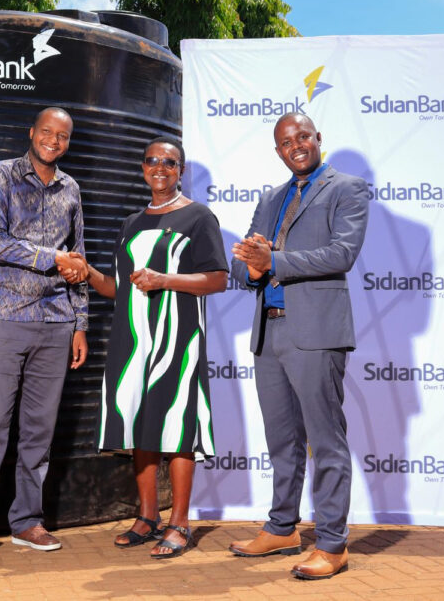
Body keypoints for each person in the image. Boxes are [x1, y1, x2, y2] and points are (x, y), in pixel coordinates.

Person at [62, 137, 228, 558]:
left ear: (180, 171)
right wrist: (88, 273)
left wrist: (165, 280)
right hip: (132, 338)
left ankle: (181, 523)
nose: (160, 168)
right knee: (139, 424)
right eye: (152, 161)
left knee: (176, 426)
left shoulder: (198, 217)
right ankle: (148, 516)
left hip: (178, 336)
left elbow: (217, 279)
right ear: (142, 168)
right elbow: (118, 288)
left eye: (169, 163)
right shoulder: (132, 221)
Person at [229, 113, 369, 579]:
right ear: (278, 151)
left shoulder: (347, 188)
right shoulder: (271, 197)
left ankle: (332, 544)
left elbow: (341, 254)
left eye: (303, 137)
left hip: (316, 332)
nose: (296, 146)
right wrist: (250, 267)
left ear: (318, 139)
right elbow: (248, 265)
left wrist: (275, 260)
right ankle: (283, 527)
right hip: (269, 331)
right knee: (281, 441)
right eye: (287, 142)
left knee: (325, 441)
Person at [0, 107, 89, 561]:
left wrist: (80, 324)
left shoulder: (71, 188)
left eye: (63, 135)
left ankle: (27, 522)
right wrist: (51, 259)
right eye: (47, 132)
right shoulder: (1, 175)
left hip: (56, 323)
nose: (54, 140)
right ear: (31, 133)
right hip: (2, 319)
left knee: (39, 432)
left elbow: (80, 261)